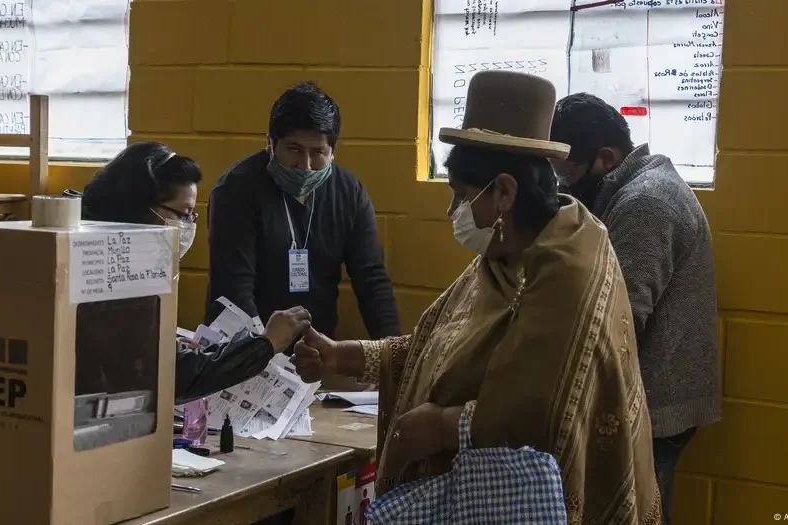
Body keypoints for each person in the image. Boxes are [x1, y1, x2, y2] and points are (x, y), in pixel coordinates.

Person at [291, 71, 662, 523]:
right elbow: (439, 347)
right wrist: (340, 356)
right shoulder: (504, 257)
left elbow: (549, 409)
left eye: (461, 196)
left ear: (504, 192)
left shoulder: (570, 268)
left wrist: (445, 427)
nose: (452, 212)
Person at [550, 92, 720, 522]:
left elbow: (617, 316)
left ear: (606, 157)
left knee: (640, 510)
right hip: (647, 398)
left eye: (563, 173)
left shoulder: (645, 203)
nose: (560, 185)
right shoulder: (634, 188)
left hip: (656, 407)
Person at [72, 141, 312, 404]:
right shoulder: (112, 274)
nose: (187, 226)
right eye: (182, 214)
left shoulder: (102, 255)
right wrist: (266, 344)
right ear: (139, 207)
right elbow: (177, 376)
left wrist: (168, 341)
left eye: (192, 216)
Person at [206, 81, 400, 341]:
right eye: (294, 150)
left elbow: (371, 279)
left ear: (333, 152)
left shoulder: (349, 191)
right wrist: (259, 353)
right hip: (245, 343)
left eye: (318, 152)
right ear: (271, 143)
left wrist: (393, 356)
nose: (305, 166)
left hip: (315, 348)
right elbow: (233, 288)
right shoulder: (236, 189)